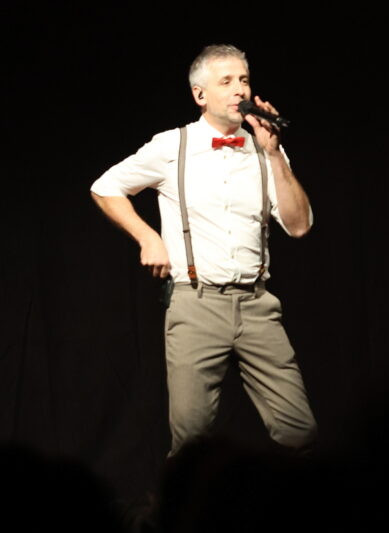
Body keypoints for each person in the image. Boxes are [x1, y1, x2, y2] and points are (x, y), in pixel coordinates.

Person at [90, 44, 317, 454]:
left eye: (243, 80)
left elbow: (299, 225)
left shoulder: (266, 150)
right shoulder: (172, 146)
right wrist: (148, 237)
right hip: (196, 305)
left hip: (257, 305)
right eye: (226, 81)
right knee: (191, 440)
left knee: (299, 432)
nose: (239, 90)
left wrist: (273, 154)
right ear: (200, 94)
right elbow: (105, 187)